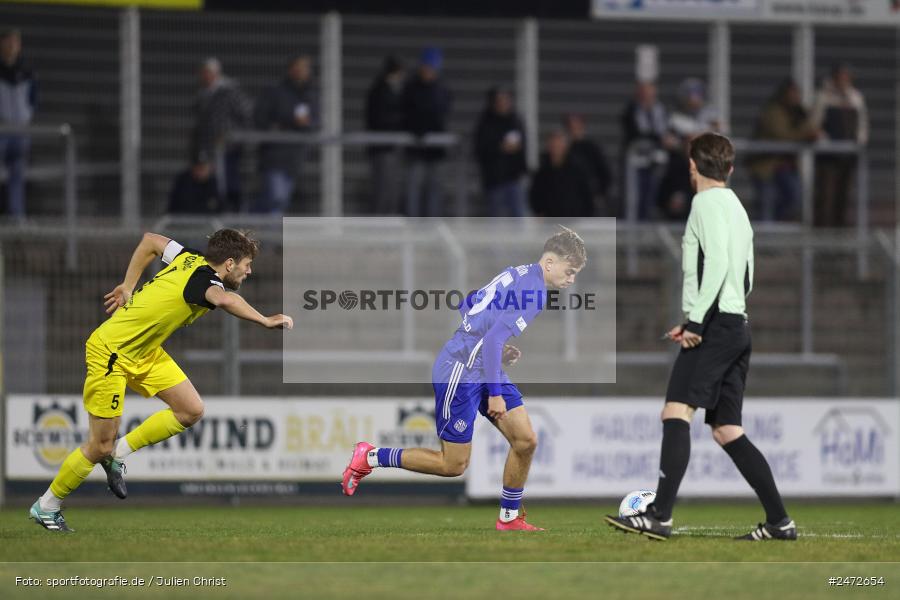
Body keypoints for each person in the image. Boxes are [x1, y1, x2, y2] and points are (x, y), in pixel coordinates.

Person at [29, 229, 293, 532]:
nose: (250, 271)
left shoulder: (188, 257)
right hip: (111, 352)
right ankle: (46, 506)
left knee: (191, 410)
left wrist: (128, 286)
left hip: (144, 352)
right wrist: (265, 320)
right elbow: (223, 299)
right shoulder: (205, 281)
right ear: (230, 263)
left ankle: (119, 453)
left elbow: (151, 241)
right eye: (247, 264)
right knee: (99, 446)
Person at [605, 133, 796, 542]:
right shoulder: (738, 207)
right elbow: (746, 275)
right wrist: (708, 314)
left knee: (675, 411)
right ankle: (780, 522)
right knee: (727, 429)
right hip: (737, 324)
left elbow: (719, 264)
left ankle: (659, 516)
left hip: (715, 325)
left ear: (692, 166)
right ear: (729, 169)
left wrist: (697, 321)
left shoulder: (704, 203)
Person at [341, 227, 587, 532]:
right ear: (550, 262)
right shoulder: (534, 291)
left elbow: (469, 303)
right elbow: (493, 337)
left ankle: (509, 518)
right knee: (453, 465)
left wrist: (490, 347)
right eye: (570, 271)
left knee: (525, 441)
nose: (571, 279)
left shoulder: (517, 273)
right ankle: (371, 456)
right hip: (460, 369)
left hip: (482, 364)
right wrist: (494, 389)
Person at [254, 55, 318, 214]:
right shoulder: (275, 91)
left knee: (280, 201)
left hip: (294, 158)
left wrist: (307, 123)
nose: (302, 71)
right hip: (274, 156)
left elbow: (315, 122)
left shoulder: (310, 94)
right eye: (299, 67)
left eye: (305, 68)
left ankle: (252, 221)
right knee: (276, 198)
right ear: (291, 69)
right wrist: (290, 120)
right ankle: (249, 219)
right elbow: (260, 118)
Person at [748, 79, 819, 221]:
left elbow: (811, 129)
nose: (795, 97)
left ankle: (778, 224)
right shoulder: (772, 111)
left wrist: (808, 121)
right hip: (766, 166)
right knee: (766, 205)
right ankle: (765, 229)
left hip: (787, 167)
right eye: (792, 93)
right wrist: (805, 135)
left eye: (797, 94)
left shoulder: (799, 113)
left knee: (795, 199)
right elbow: (781, 135)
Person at [190, 58, 252, 213]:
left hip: (229, 149)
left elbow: (247, 114)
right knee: (212, 185)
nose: (206, 76)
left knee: (229, 184)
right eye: (204, 72)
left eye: (209, 72)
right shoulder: (202, 94)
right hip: (208, 149)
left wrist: (233, 136)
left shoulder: (230, 92)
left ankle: (235, 214)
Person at [811, 62, 868, 227]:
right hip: (827, 155)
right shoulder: (824, 96)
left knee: (844, 194)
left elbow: (862, 124)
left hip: (848, 154)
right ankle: (823, 228)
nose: (843, 80)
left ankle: (840, 227)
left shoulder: (855, 98)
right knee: (826, 193)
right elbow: (815, 122)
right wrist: (823, 139)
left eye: (846, 77)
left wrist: (859, 141)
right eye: (840, 77)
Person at [657, 78, 720, 221]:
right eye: (690, 97)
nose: (694, 102)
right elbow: (667, 141)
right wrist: (682, 144)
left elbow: (719, 135)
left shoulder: (709, 117)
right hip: (680, 172)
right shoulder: (675, 118)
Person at [403, 47, 452, 217]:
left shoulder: (442, 89)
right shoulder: (411, 88)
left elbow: (441, 113)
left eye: (432, 68)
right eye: (426, 67)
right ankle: (412, 227)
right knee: (413, 189)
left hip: (436, 150)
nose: (428, 72)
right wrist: (418, 126)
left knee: (435, 189)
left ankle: (432, 226)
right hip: (416, 148)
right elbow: (407, 113)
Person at [620, 81, 676, 220]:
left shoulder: (661, 110)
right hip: (636, 160)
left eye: (650, 93)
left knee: (652, 195)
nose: (647, 96)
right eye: (644, 93)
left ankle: (648, 223)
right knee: (634, 197)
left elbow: (667, 129)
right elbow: (636, 133)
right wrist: (658, 138)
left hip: (656, 159)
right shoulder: (632, 110)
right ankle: (632, 226)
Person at [0, 29, 36, 223]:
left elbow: (33, 99)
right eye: (8, 42)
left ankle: (17, 217)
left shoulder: (27, 71)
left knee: (17, 174)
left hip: (21, 130)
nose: (11, 46)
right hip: (2, 130)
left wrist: (27, 117)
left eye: (15, 42)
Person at [474, 86, 528, 217]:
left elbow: (522, 146)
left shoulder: (515, 121)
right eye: (500, 101)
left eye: (505, 100)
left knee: (518, 215)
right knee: (496, 218)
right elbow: (480, 149)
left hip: (513, 177)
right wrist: (500, 147)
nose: (503, 104)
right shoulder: (486, 123)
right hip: (494, 179)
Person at [365, 56, 406, 214]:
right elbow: (380, 119)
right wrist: (400, 120)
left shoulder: (386, 90)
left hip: (388, 148)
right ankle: (379, 222)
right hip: (383, 148)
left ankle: (387, 220)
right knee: (383, 190)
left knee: (390, 190)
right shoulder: (381, 91)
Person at [528, 130, 594, 218]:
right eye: (553, 145)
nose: (556, 148)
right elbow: (535, 194)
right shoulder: (543, 171)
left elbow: (587, 193)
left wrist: (585, 215)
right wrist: (539, 211)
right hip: (550, 220)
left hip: (573, 219)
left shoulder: (576, 169)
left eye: (559, 145)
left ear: (565, 146)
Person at [563, 113, 612, 216]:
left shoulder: (592, 148)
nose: (574, 130)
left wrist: (600, 193)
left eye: (577, 126)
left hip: (591, 196)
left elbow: (604, 173)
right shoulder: (564, 150)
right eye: (571, 127)